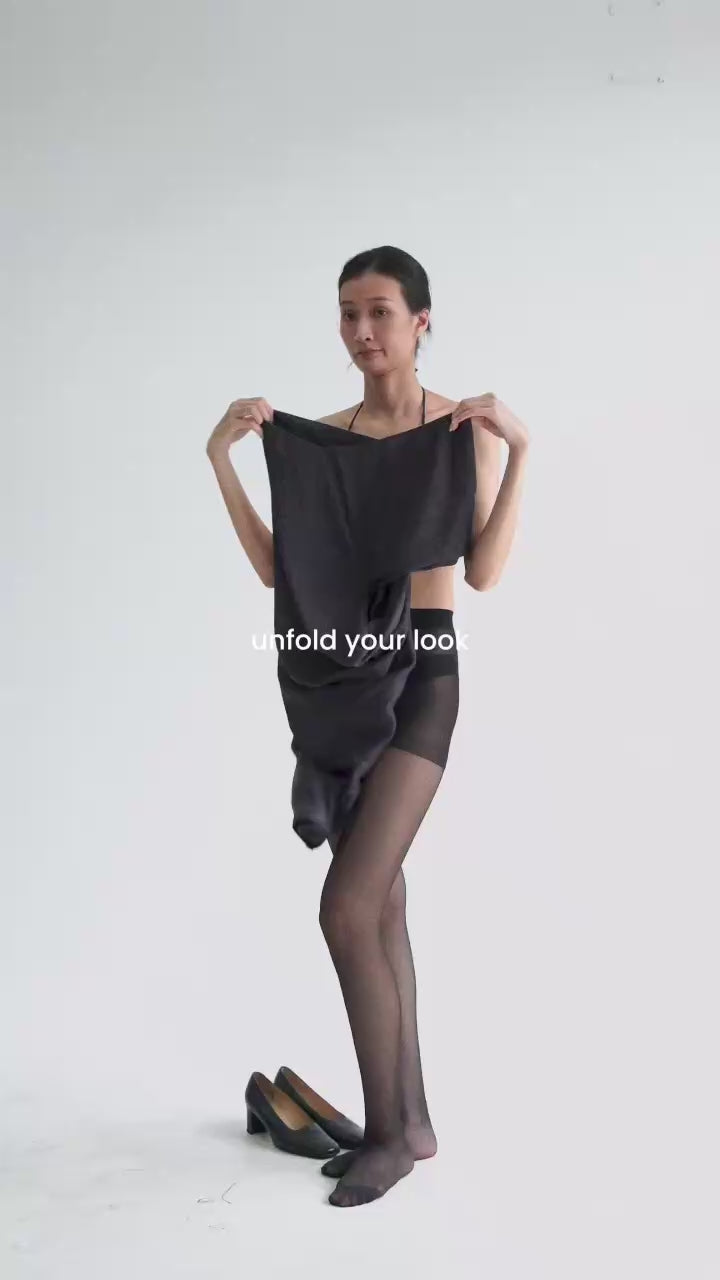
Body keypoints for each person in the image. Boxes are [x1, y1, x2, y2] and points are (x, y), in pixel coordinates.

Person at [206, 245, 530, 1207]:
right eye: (348, 312)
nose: (362, 331)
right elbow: (282, 571)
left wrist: (521, 450)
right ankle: (412, 1121)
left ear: (422, 321)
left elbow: (484, 573)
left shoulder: (457, 430)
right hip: (343, 678)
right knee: (379, 903)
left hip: (424, 677)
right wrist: (223, 460)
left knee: (346, 906)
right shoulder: (327, 442)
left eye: (381, 311)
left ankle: (385, 1136)